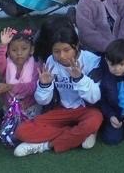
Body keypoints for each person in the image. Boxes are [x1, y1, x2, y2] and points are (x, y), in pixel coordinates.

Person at [11, 24, 102, 158]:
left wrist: (79, 78)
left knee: (94, 120)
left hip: (85, 110)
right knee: (21, 131)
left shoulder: (92, 61)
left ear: (76, 46)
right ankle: (78, 134)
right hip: (60, 110)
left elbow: (94, 98)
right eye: (56, 51)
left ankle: (45, 145)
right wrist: (44, 84)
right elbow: (43, 100)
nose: (61, 56)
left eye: (66, 50)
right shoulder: (51, 61)